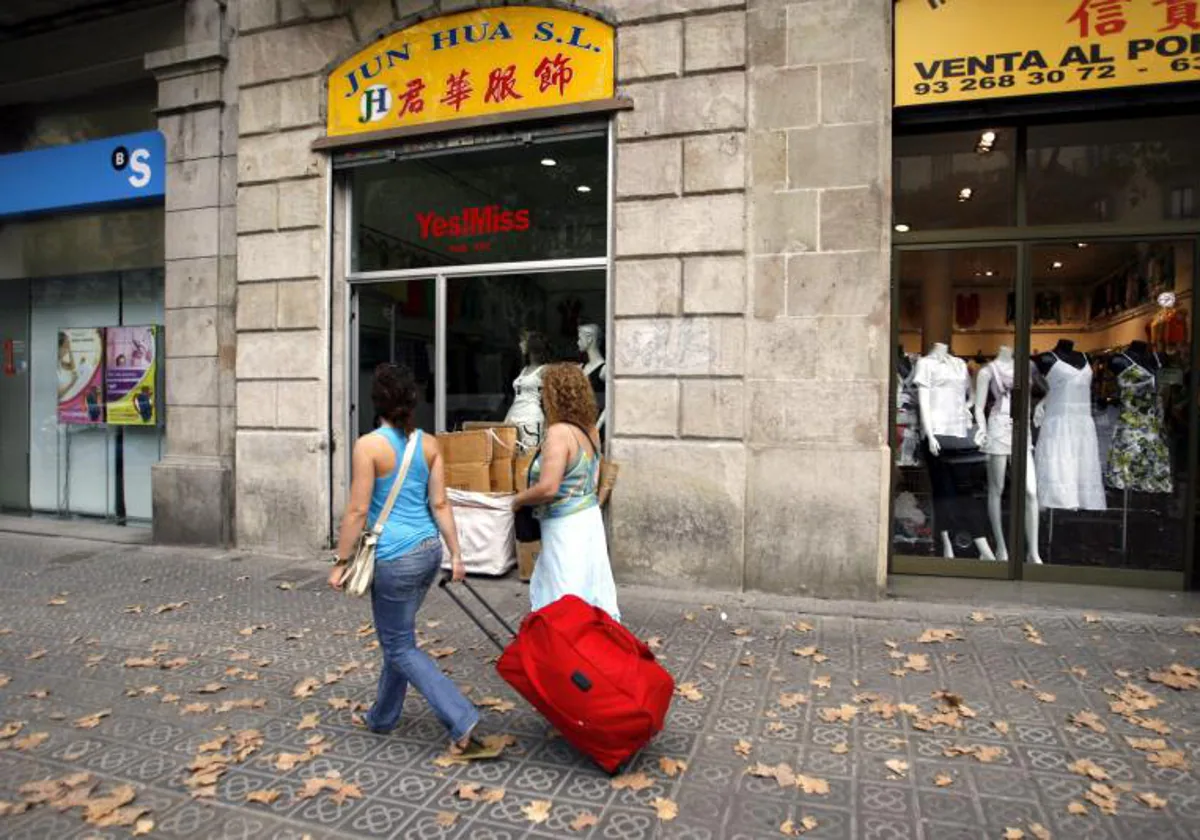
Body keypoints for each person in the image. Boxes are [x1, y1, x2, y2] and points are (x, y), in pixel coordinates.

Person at [328, 363, 489, 757]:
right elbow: (440, 502)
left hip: (393, 559)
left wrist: (341, 560)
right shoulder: (430, 445)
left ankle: (461, 719)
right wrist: (456, 554)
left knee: (399, 645)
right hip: (428, 553)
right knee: (397, 638)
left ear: (376, 401)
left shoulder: (368, 446)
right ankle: (381, 718)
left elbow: (357, 510)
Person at [511, 363, 620, 621]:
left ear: (553, 395)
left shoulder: (558, 433)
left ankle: (565, 653)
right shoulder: (590, 429)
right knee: (590, 591)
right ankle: (592, 649)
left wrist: (518, 499)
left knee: (564, 594)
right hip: (589, 519)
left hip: (564, 526)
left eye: (543, 390)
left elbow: (549, 487)